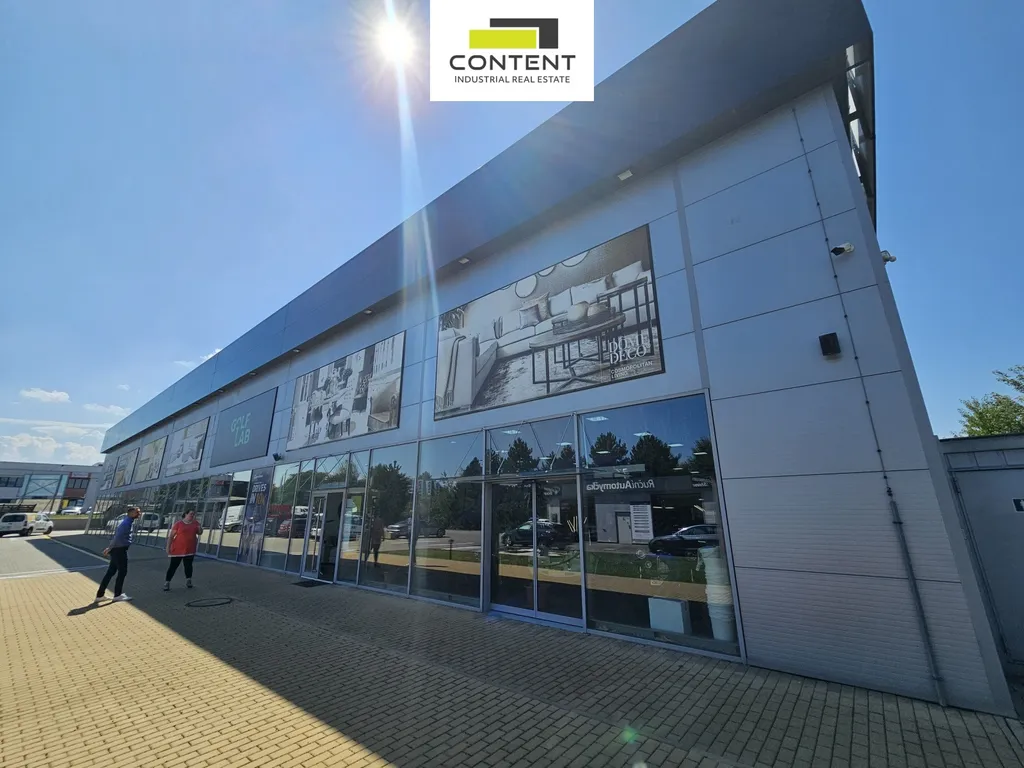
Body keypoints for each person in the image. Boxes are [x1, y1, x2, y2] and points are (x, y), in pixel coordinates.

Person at [96, 506, 141, 603]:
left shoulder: (128, 522)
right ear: (131, 513)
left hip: (117, 550)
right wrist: (109, 548)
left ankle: (100, 595)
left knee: (111, 572)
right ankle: (117, 595)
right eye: (137, 512)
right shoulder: (126, 523)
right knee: (122, 572)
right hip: (120, 551)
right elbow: (118, 537)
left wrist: (110, 548)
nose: (139, 514)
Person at [164, 508, 203, 590]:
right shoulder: (178, 524)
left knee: (188, 566)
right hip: (178, 549)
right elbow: (171, 536)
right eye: (191, 514)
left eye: (193, 514)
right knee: (173, 566)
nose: (192, 515)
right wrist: (168, 547)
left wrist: (200, 528)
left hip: (190, 549)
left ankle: (189, 580)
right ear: (186, 514)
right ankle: (167, 582)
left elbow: (199, 533)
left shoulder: (195, 523)